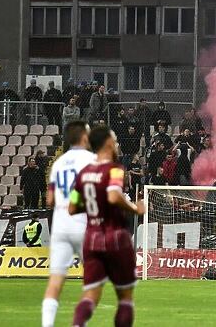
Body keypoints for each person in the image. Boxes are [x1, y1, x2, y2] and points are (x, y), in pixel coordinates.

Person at [68, 125, 146, 327]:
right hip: (115, 237)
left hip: (91, 239)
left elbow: (72, 207)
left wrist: (95, 205)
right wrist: (134, 207)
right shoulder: (115, 169)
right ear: (109, 143)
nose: (118, 144)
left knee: (90, 295)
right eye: (115, 140)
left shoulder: (83, 174)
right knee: (125, 298)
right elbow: (113, 195)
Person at [41, 121, 96, 327]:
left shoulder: (58, 163)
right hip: (83, 224)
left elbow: (49, 200)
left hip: (61, 225)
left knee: (55, 281)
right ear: (83, 137)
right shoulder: (92, 160)